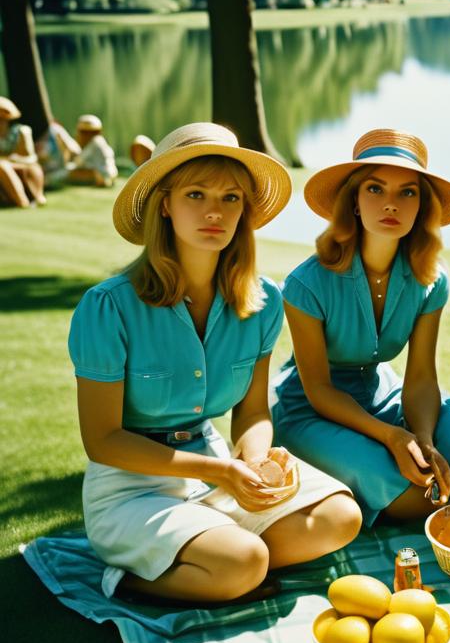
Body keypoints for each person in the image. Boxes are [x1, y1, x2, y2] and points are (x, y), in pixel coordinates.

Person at [69, 122, 361, 604]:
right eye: (196, 194)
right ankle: (132, 577)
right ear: (166, 204)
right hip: (131, 489)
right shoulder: (108, 307)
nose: (214, 212)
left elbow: (252, 414)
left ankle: (218, 558)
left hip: (215, 470)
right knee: (244, 561)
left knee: (340, 518)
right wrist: (222, 473)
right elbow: (102, 441)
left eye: (230, 199)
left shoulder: (263, 302)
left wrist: (255, 460)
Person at [272, 129, 450, 523]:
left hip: (384, 396)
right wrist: (392, 437)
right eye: (375, 189)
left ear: (421, 206)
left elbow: (420, 378)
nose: (391, 204)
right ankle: (421, 499)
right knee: (395, 485)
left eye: (407, 192)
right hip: (312, 409)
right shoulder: (306, 284)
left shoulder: (431, 279)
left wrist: (423, 438)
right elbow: (318, 389)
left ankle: (423, 490)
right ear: (352, 201)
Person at [0, 96, 46, 206]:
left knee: (2, 166)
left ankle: (22, 201)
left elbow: (30, 158)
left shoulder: (21, 131)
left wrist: (10, 160)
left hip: (25, 167)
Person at [68, 113, 118, 187]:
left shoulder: (94, 143)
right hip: (112, 175)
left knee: (69, 172)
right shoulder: (101, 142)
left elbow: (78, 162)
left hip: (102, 176)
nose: (85, 135)